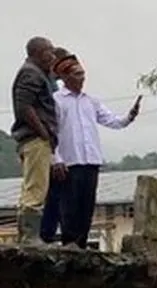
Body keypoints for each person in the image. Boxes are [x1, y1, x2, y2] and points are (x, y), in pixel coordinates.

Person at [51, 54, 140, 249]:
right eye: (77, 74)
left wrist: (129, 116)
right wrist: (55, 158)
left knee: (87, 206)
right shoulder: (57, 101)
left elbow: (113, 121)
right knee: (69, 207)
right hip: (69, 162)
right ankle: (70, 244)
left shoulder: (91, 101)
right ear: (65, 77)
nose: (82, 78)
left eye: (83, 74)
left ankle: (81, 245)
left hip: (91, 160)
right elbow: (52, 132)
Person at [9, 37, 58, 243]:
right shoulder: (30, 73)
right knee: (36, 189)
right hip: (35, 138)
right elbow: (24, 107)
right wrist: (43, 132)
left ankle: (27, 236)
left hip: (35, 138)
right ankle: (30, 237)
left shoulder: (39, 73)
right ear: (38, 52)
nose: (53, 56)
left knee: (31, 187)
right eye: (50, 51)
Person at [39, 47, 72, 243]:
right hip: (49, 149)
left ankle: (49, 234)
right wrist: (55, 157)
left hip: (53, 147)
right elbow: (50, 124)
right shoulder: (49, 88)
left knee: (55, 195)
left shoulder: (53, 87)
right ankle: (46, 235)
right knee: (53, 195)